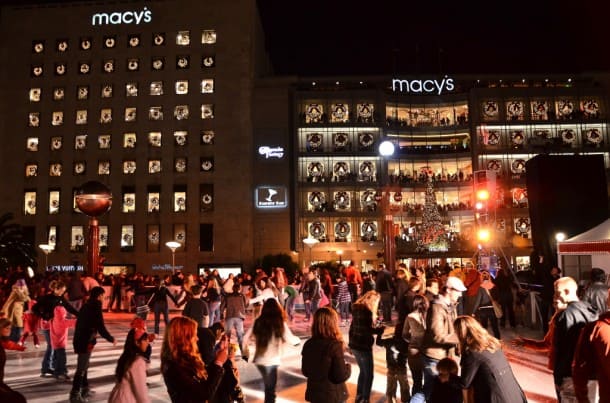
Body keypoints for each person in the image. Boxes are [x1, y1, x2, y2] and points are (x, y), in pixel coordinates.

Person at [454, 315, 527, 402]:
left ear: (461, 333)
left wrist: (447, 376)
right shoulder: (492, 343)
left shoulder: (472, 352)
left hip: (497, 398)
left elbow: (464, 383)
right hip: (514, 394)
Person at [243, 298, 300, 403]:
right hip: (272, 361)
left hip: (259, 360)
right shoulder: (279, 323)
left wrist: (244, 353)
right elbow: (291, 339)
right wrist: (298, 341)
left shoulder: (258, 321)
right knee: (270, 390)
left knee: (268, 388)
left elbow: (245, 338)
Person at [552, 277, 598, 401]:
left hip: (571, 376)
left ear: (567, 292)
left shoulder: (565, 315)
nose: (556, 296)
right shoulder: (591, 310)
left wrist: (558, 377)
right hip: (592, 374)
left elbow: (561, 350)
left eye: (557, 292)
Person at [161, 316, 227, 403]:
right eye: (194, 335)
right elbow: (203, 394)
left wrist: (217, 358)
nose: (197, 338)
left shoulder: (185, 358)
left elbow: (204, 379)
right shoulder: (175, 367)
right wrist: (218, 364)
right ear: (184, 339)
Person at [420, 276, 465, 400]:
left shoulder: (449, 306)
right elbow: (438, 336)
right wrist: (460, 338)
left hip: (442, 355)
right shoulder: (437, 308)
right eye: (458, 291)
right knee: (429, 390)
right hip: (434, 356)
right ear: (449, 290)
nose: (460, 295)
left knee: (436, 390)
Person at [70, 286, 116, 403]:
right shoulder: (95, 306)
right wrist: (110, 338)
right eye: (103, 296)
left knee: (85, 365)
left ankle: (84, 388)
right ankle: (75, 394)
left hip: (82, 339)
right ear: (99, 296)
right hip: (85, 340)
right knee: (82, 367)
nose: (104, 298)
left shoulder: (87, 305)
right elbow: (100, 326)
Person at [301, 307, 351, 403]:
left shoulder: (308, 344)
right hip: (332, 396)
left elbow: (306, 371)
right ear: (332, 323)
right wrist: (348, 367)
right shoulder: (334, 345)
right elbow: (340, 376)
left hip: (315, 395)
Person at [37, 280, 80, 378]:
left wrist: (79, 315)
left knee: (55, 347)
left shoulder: (60, 298)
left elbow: (69, 308)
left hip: (55, 324)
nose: (63, 293)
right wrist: (44, 316)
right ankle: (48, 368)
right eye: (61, 291)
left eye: (64, 291)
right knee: (52, 346)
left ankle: (54, 368)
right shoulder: (47, 298)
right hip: (47, 325)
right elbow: (36, 308)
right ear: (56, 289)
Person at [348, 290, 384, 403]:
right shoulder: (366, 311)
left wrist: (350, 344)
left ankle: (359, 397)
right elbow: (367, 330)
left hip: (355, 345)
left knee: (363, 372)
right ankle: (365, 399)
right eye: (376, 302)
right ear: (372, 301)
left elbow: (352, 328)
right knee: (369, 374)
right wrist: (381, 329)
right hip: (363, 346)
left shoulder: (356, 309)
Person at [108, 327, 152, 403]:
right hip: (126, 399)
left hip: (118, 397)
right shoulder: (138, 362)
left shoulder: (128, 356)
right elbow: (141, 393)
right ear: (137, 342)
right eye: (145, 340)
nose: (148, 342)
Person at [403, 294, 429, 397]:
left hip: (414, 350)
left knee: (417, 382)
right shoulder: (430, 315)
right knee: (429, 382)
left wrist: (413, 339)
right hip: (428, 351)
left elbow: (404, 334)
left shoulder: (410, 316)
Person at [376, 328, 410, 403]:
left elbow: (378, 342)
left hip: (391, 368)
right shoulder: (406, 343)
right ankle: (406, 401)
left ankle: (391, 400)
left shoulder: (389, 341)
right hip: (401, 369)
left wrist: (379, 333)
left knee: (390, 387)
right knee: (404, 388)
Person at [0, 318, 26, 403]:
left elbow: (9, 344)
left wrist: (20, 348)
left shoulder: (3, 340)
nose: (9, 331)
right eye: (7, 328)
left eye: (10, 328)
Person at [50, 304, 76, 380]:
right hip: (60, 344)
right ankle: (61, 372)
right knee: (62, 359)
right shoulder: (63, 322)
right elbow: (73, 322)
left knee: (56, 358)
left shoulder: (53, 319)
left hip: (54, 343)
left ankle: (57, 372)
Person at [221, 282, 248, 355]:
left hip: (230, 315)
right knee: (240, 334)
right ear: (239, 289)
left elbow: (222, 306)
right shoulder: (242, 296)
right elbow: (246, 305)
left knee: (227, 334)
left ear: (232, 289)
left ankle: (226, 351)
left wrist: (221, 314)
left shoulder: (228, 296)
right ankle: (243, 352)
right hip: (239, 316)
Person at [472, 271, 501, 339]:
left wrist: (473, 311)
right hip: (492, 309)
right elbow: (498, 298)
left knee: (484, 327)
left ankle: (484, 341)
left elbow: (478, 301)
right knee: (495, 326)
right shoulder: (494, 286)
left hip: (483, 310)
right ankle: (498, 340)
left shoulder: (481, 288)